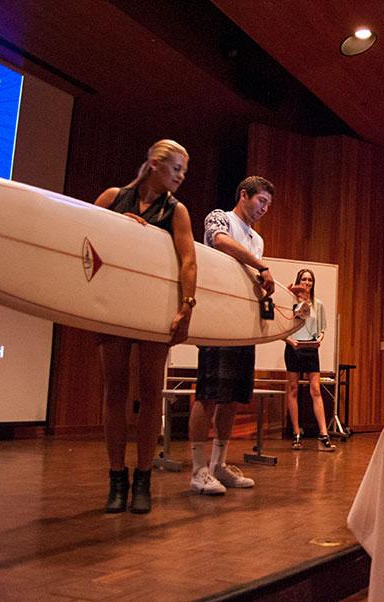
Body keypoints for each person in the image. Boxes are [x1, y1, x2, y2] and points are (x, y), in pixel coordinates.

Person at [94, 139, 197, 514]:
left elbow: (188, 261)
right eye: (176, 169)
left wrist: (187, 306)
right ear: (154, 163)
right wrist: (117, 224)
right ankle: (116, 478)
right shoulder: (112, 198)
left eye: (184, 171)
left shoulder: (177, 211)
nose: (182, 177)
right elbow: (82, 237)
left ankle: (143, 479)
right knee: (115, 390)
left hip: (154, 309)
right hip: (114, 307)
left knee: (152, 392)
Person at [189, 176, 277, 495]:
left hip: (242, 325)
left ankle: (218, 464)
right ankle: (198, 469)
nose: (264, 209)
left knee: (232, 399)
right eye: (260, 201)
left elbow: (253, 279)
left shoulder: (258, 240)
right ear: (244, 195)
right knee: (209, 394)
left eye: (268, 204)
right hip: (216, 320)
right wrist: (261, 266)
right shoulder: (219, 217)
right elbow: (221, 243)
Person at [284, 268, 336, 452]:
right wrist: (290, 341)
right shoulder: (289, 301)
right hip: (294, 347)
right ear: (298, 281)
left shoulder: (318, 304)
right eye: (303, 279)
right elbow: (282, 328)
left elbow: (322, 329)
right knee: (293, 389)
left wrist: (319, 339)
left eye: (310, 280)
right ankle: (296, 434)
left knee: (315, 389)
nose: (306, 283)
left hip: (310, 349)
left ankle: (323, 434)